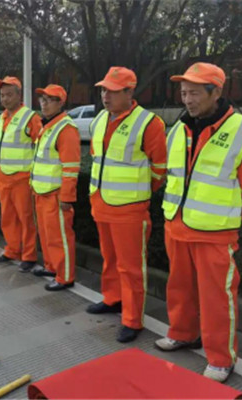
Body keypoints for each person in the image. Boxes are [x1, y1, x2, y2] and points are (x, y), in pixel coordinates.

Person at [154, 62, 242, 382]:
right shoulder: (179, 128)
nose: (187, 99)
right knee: (179, 287)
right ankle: (182, 332)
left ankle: (221, 357)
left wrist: (235, 214)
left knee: (217, 297)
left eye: (194, 93)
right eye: (183, 93)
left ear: (216, 92)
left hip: (215, 231)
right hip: (176, 223)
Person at [85, 67, 168, 343]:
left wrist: (139, 192)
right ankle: (112, 299)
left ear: (130, 92)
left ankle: (132, 318)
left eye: (112, 91)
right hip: (101, 202)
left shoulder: (148, 123)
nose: (105, 96)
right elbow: (99, 160)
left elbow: (159, 169)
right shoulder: (99, 120)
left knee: (131, 266)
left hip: (130, 208)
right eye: (103, 90)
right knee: (110, 259)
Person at [30, 84, 80, 291]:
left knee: (59, 236)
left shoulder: (65, 128)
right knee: (48, 234)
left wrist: (66, 197)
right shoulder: (48, 125)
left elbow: (71, 167)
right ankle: (52, 267)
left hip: (56, 193)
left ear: (61, 103)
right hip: (43, 191)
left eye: (49, 99)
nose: (44, 103)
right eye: (42, 99)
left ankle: (65, 275)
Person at [0, 76, 43, 271]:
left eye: (9, 95)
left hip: (22, 177)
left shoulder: (30, 118)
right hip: (3, 176)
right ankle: (12, 250)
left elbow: (41, 147)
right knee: (8, 216)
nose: (5, 99)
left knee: (25, 218)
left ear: (19, 95)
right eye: (2, 95)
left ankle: (29, 256)